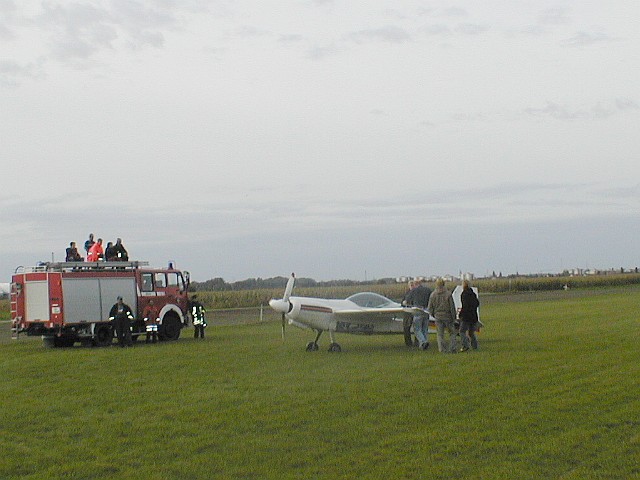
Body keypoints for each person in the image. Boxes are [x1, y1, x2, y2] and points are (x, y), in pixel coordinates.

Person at [427, 278, 458, 353]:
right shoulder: (448, 294)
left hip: (438, 317)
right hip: (448, 317)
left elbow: (430, 308)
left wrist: (433, 315)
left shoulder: (433, 295)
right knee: (452, 333)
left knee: (440, 334)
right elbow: (452, 307)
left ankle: (442, 349)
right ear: (444, 284)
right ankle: (452, 348)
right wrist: (454, 317)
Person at [404, 279, 432, 350]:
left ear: (416, 284)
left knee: (417, 329)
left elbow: (407, 301)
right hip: (426, 310)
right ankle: (424, 344)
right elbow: (431, 299)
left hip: (417, 311)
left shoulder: (413, 291)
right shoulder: (428, 290)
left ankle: (423, 342)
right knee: (424, 328)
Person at [458, 280, 480, 352]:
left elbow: (465, 306)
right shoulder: (473, 294)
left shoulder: (464, 294)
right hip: (473, 316)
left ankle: (465, 346)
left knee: (462, 331)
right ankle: (475, 346)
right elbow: (477, 303)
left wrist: (460, 314)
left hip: (466, 317)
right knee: (471, 332)